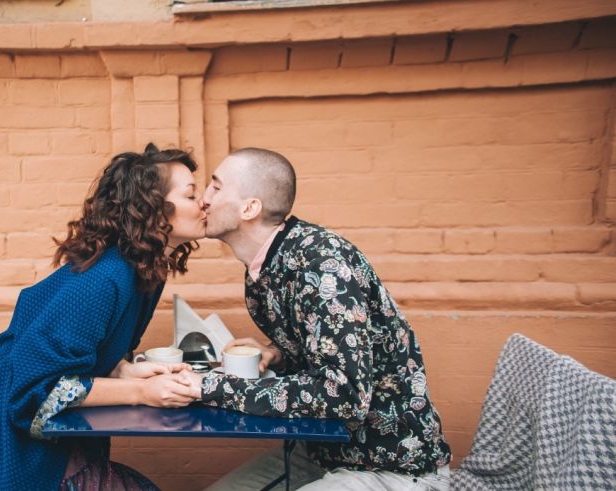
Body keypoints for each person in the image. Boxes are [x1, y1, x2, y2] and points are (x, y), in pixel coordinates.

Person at [0, 144, 206, 490]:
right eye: (192, 194)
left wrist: (123, 369)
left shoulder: (145, 270)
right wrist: (141, 391)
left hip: (50, 448)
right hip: (1, 453)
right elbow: (31, 392)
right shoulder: (105, 279)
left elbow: (83, 354)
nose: (205, 203)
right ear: (155, 209)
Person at [183, 147, 452, 490]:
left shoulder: (323, 266)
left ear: (250, 208)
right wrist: (278, 354)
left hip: (392, 466)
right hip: (322, 454)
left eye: (216, 187)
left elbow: (344, 395)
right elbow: (326, 353)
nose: (204, 199)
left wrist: (209, 387)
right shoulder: (270, 262)